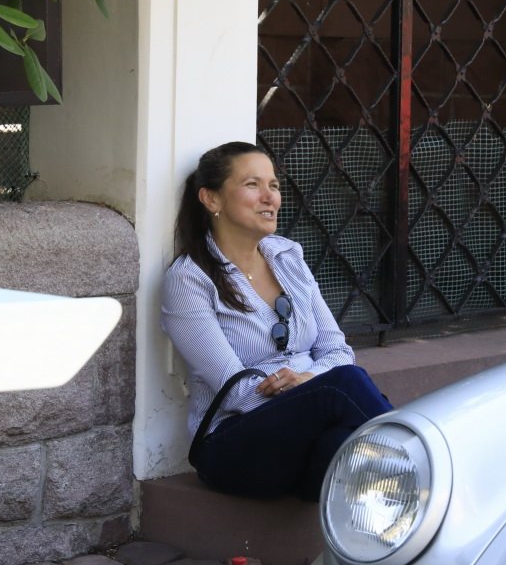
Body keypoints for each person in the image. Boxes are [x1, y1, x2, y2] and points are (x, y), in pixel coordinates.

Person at [162, 141, 392, 501]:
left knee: (346, 440)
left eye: (274, 185)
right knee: (346, 386)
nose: (270, 197)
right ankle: (426, 469)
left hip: (300, 439)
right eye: (252, 185)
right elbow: (236, 393)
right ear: (211, 199)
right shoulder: (190, 279)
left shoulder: (288, 257)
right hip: (234, 448)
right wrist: (314, 391)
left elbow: (338, 350)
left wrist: (307, 380)